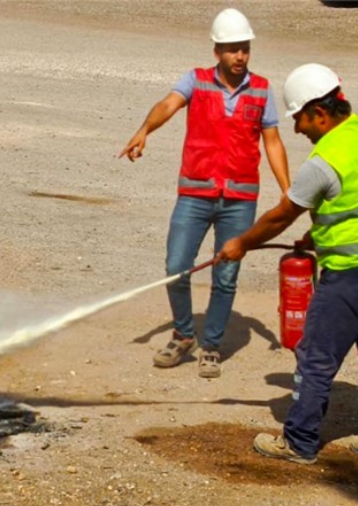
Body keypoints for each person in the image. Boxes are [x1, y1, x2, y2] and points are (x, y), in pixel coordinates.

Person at [217, 63, 358, 465]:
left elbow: (280, 216)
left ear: (320, 114)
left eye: (300, 119)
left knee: (315, 356)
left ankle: (300, 443)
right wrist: (320, 234)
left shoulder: (323, 161)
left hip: (354, 280)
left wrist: (239, 242)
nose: (297, 129)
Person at [119, 8, 289, 379]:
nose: (239, 56)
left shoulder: (261, 89)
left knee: (226, 274)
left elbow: (272, 142)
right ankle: (183, 334)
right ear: (217, 52)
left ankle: (210, 345)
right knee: (176, 266)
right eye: (232, 49)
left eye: (244, 49)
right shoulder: (195, 81)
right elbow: (168, 104)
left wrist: (288, 191)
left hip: (240, 198)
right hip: (195, 192)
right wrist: (144, 130)